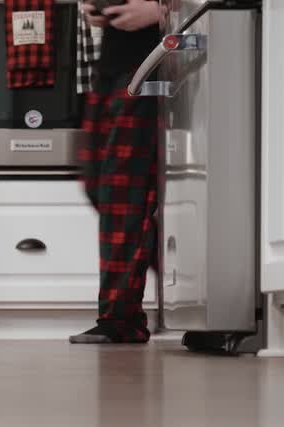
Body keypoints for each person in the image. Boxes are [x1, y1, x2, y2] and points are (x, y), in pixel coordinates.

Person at [70, 0, 163, 344]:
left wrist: (161, 11)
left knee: (123, 192)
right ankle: (193, 276)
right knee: (98, 184)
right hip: (113, 64)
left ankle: (121, 318)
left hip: (151, 59)